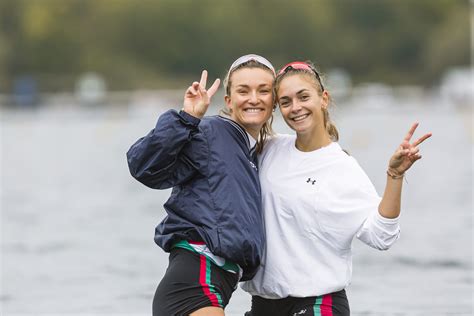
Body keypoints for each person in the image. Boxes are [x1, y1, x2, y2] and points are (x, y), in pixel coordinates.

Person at [242, 61, 432, 316]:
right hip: (263, 304)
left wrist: (394, 176)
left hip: (319, 304)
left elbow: (381, 236)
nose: (296, 107)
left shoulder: (342, 168)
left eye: (303, 97)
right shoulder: (269, 150)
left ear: (323, 98)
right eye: (286, 102)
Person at [126, 54, 276, 316]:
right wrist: (186, 118)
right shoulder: (210, 133)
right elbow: (143, 165)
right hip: (195, 280)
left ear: (274, 101)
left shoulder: (257, 152)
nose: (253, 98)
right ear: (228, 101)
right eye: (243, 91)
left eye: (263, 91)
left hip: (216, 284)